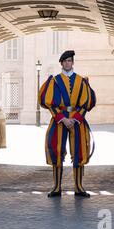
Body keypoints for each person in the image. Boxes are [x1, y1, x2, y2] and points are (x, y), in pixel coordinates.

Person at [38, 50, 96, 198]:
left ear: (72, 62)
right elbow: (49, 103)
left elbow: (85, 104)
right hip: (59, 120)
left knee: (79, 153)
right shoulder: (54, 81)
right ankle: (56, 187)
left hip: (77, 121)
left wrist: (75, 119)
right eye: (65, 61)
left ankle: (79, 187)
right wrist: (63, 119)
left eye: (70, 61)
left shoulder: (81, 81)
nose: (67, 63)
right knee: (56, 152)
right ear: (61, 63)